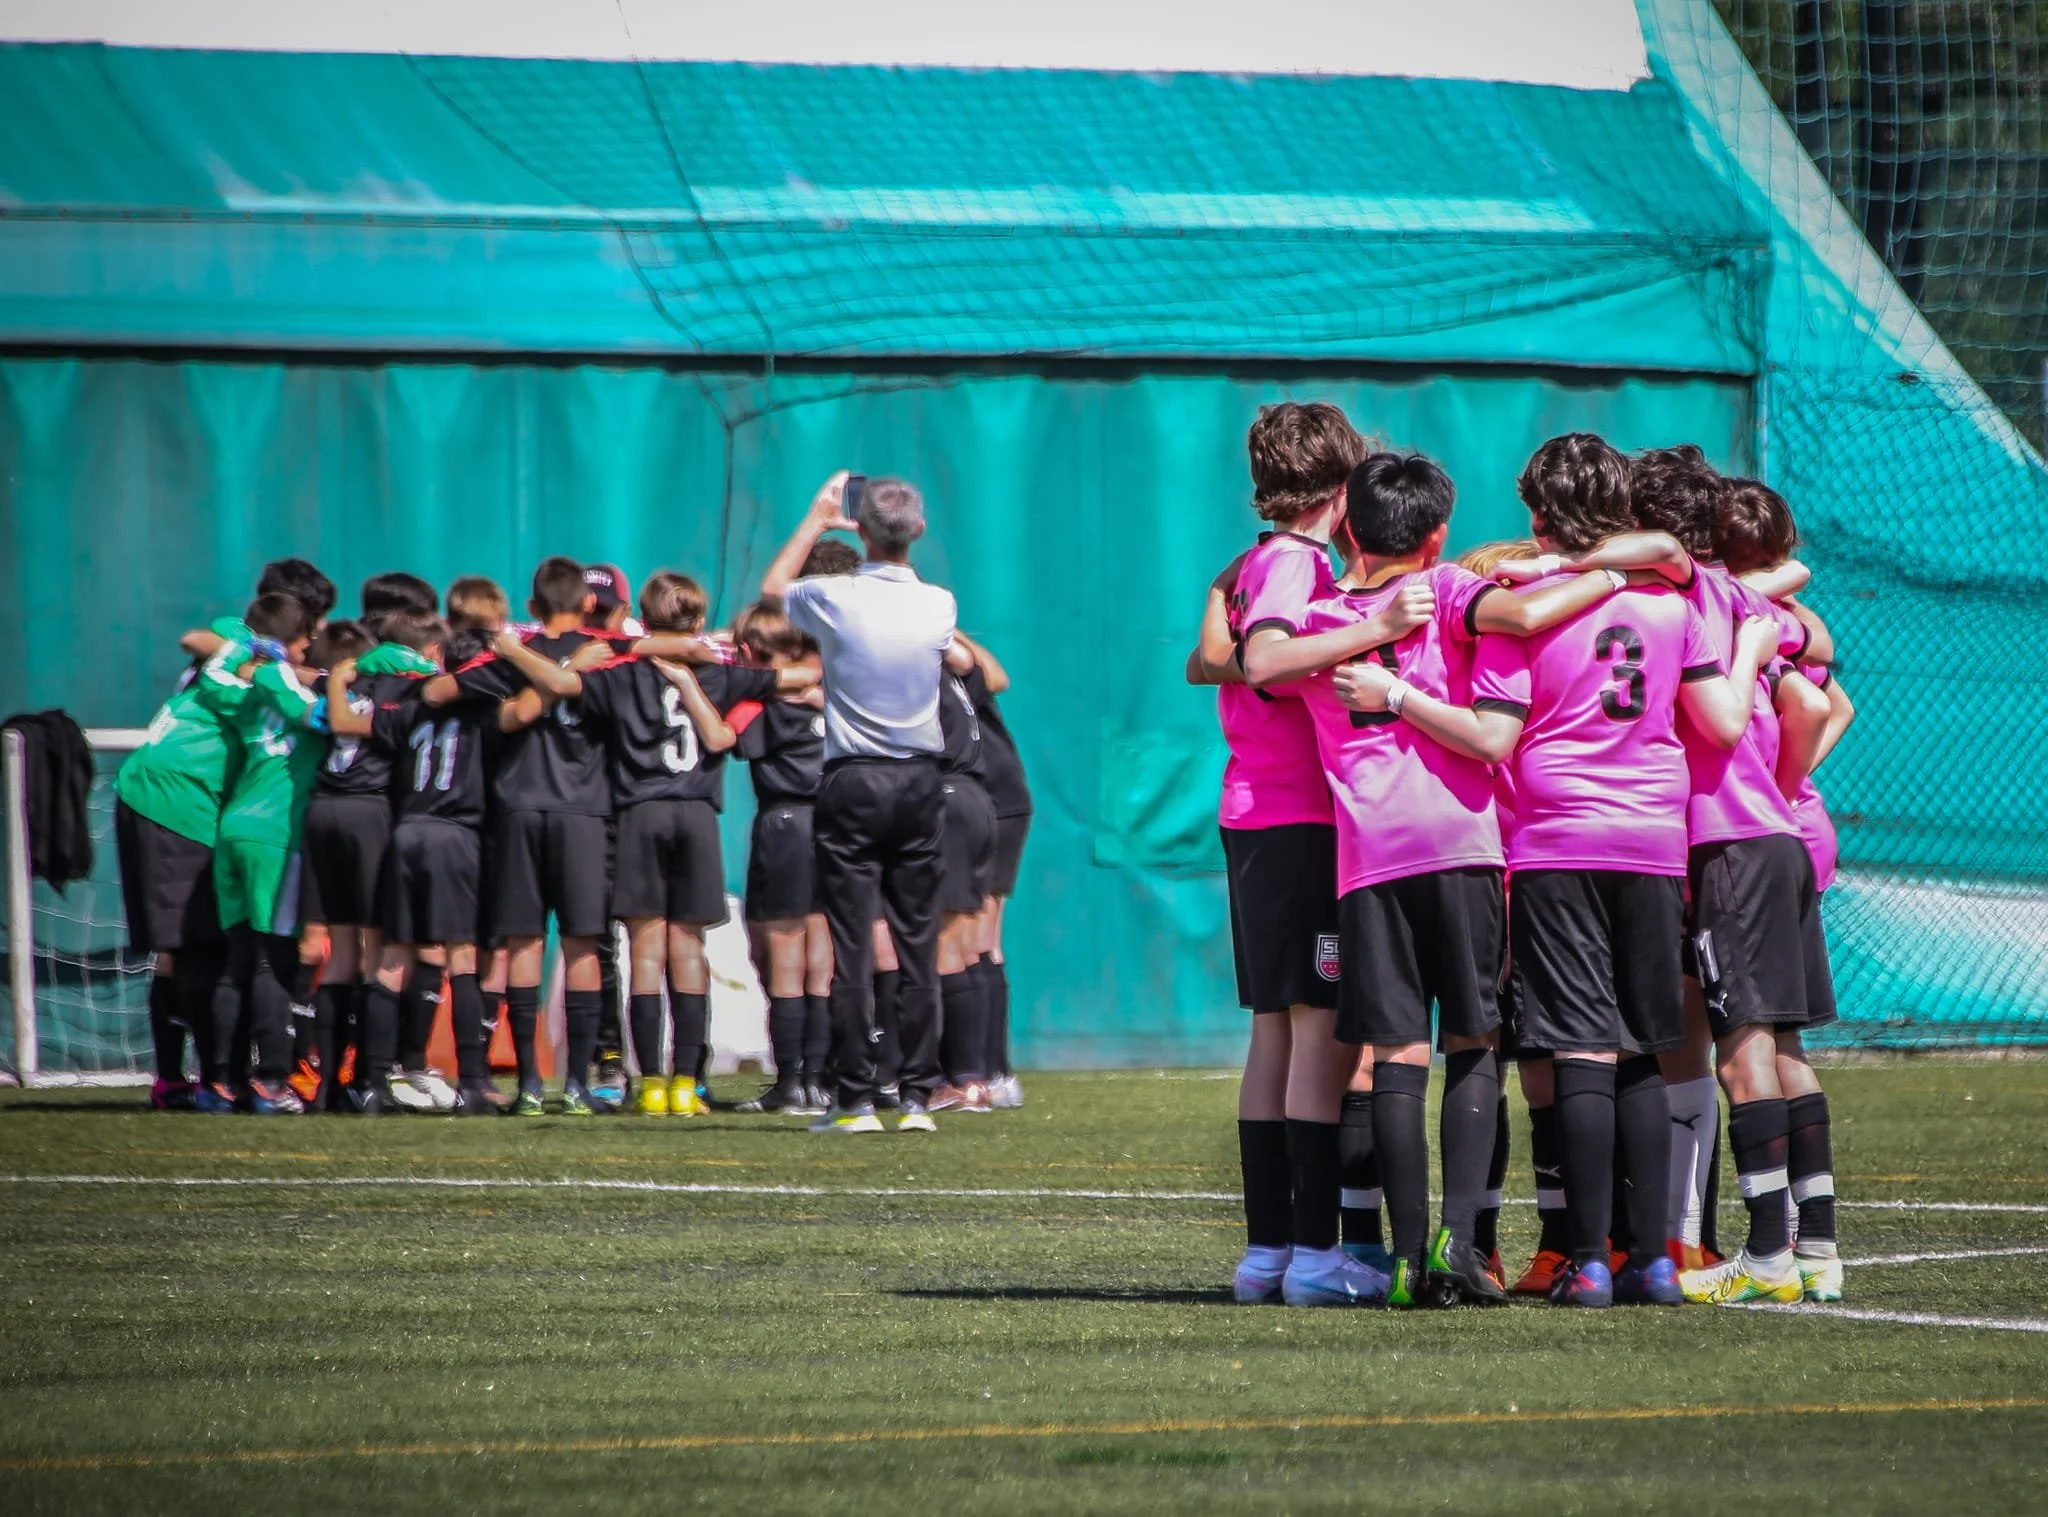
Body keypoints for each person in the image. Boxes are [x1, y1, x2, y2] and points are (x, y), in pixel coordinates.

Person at [1304, 449, 1670, 1306]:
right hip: (1466, 845)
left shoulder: (1317, 621)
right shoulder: (1463, 600)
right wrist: (1612, 576)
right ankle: (1459, 1245)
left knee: (1394, 1051)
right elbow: (1525, 621)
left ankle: (1401, 1258)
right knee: (1475, 1042)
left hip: (1367, 857)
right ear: (1437, 537)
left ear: (1348, 526)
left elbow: (1250, 661)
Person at [1421, 434, 1773, 1306]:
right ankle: (1655, 1259)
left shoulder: (1523, 603)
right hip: (1654, 839)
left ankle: (1588, 1260)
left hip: (1556, 842)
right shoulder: (1670, 603)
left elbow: (1496, 728)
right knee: (1646, 1045)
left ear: (1537, 513)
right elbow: (1710, 714)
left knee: (1579, 1046)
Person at [1185, 402, 1406, 1306]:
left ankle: (1269, 1252)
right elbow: (1268, 660)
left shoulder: (1255, 560)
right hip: (1300, 817)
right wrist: (1380, 624)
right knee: (1316, 1029)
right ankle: (1313, 1253)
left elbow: (1212, 656)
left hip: (1261, 814)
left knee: (1277, 1029)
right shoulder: (1293, 562)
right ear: (1342, 485)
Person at [762, 473, 958, 1135]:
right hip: (921, 781)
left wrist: (820, 518)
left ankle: (852, 1099)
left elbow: (771, 590)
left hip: (853, 779)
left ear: (862, 531)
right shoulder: (939, 604)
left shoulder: (837, 597)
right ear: (921, 532)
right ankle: (915, 1095)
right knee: (916, 942)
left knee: (851, 944)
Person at [571, 573, 809, 1116]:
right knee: (689, 948)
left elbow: (571, 686)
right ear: (698, 622)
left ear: (642, 619)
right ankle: (687, 1082)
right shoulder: (722, 675)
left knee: (646, 951)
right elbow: (798, 676)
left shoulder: (619, 672)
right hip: (696, 813)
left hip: (639, 812)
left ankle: (650, 1082)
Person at [114, 618, 256, 1109]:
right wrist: (264, 656)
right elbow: (196, 638)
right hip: (177, 802)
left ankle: (181, 1078)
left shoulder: (221, 670)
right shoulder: (240, 652)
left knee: (181, 948)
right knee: (198, 945)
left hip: (163, 797)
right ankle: (212, 1079)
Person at [192, 592, 325, 1114]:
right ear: (297, 643)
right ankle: (272, 1080)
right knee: (273, 959)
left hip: (233, 830)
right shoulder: (287, 687)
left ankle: (220, 1081)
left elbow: (212, 678)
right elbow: (319, 717)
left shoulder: (244, 691)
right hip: (275, 834)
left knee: (238, 958)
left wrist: (242, 650)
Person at [729, 598, 835, 1114]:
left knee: (786, 964)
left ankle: (791, 1081)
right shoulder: (833, 698)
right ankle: (818, 1079)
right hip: (835, 827)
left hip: (786, 825)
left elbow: (727, 736)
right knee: (821, 961)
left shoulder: (763, 704)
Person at [957, 632, 1029, 1109]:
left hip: (987, 800)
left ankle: (982, 1074)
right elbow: (997, 676)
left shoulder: (934, 652)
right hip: (1000, 800)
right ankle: (994, 1073)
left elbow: (996, 678)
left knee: (974, 937)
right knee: (985, 938)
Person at [928, 645, 1000, 1112]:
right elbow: (990, 672)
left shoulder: (921, 673)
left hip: (948, 796)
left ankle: (961, 1079)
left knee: (946, 947)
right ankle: (973, 1077)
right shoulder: (957, 671)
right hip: (975, 798)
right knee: (968, 946)